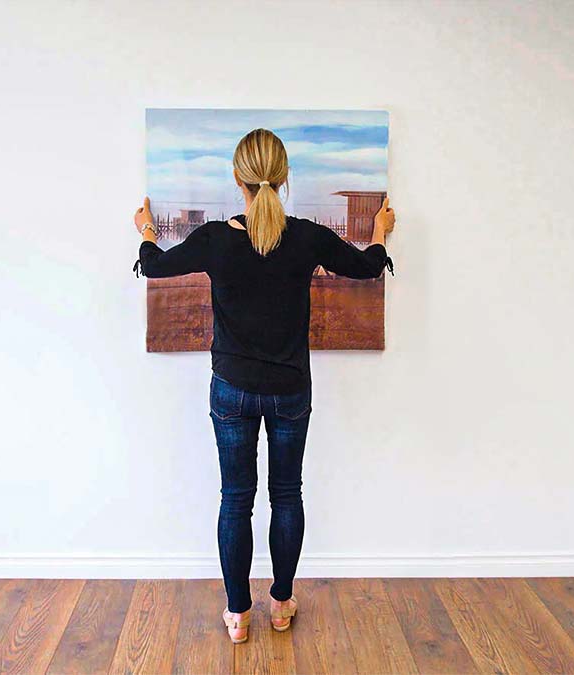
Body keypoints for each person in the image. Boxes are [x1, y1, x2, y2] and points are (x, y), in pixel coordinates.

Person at [132, 128, 395, 644]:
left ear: (238, 178)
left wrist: (144, 228)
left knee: (236, 499)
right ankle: (280, 603)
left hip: (231, 389)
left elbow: (157, 266)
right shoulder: (307, 237)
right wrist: (381, 231)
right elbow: (367, 268)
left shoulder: (213, 238)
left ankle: (237, 615)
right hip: (291, 390)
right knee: (287, 494)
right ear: (285, 176)